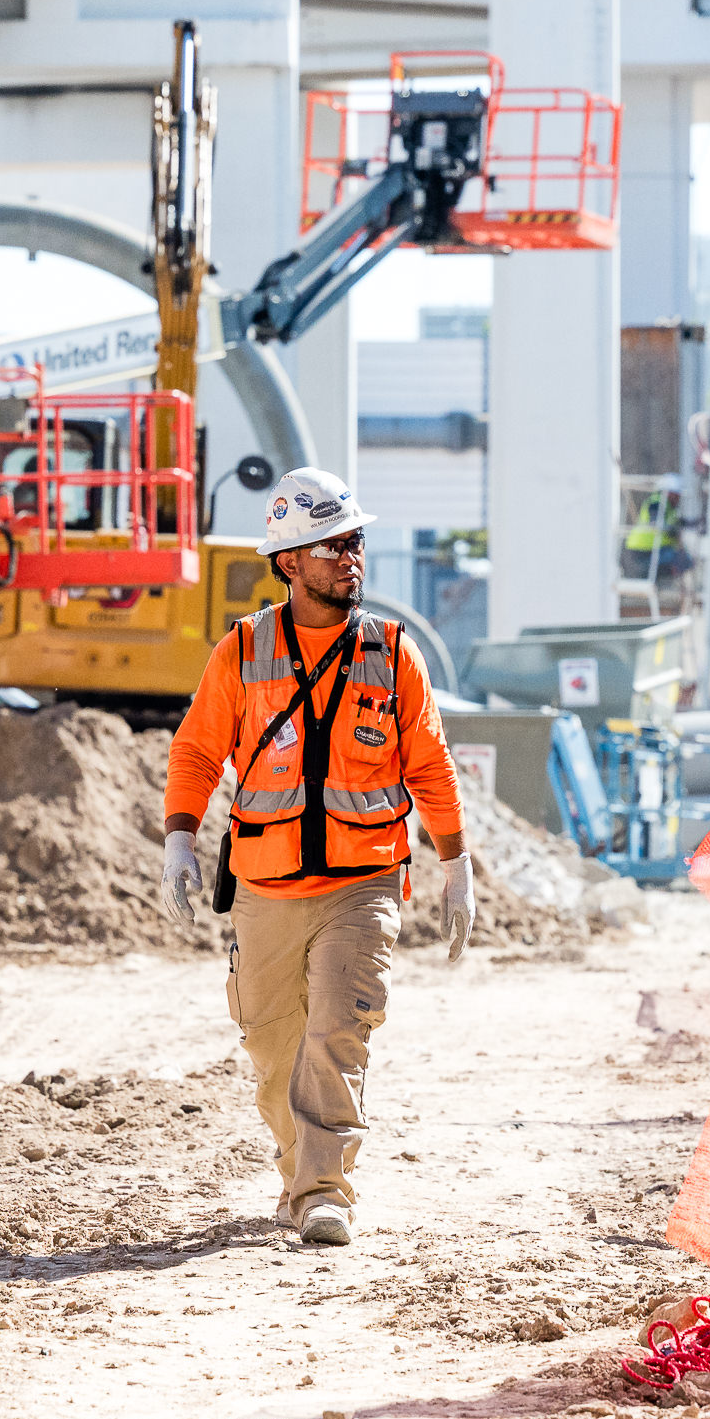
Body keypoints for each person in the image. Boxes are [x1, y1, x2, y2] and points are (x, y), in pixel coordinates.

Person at [157, 468, 474, 1248]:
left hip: (362, 885)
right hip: (265, 890)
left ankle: (325, 1189)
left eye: (355, 541)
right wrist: (178, 835)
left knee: (338, 1030)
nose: (350, 558)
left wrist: (455, 863)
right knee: (273, 1050)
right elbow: (199, 749)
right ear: (289, 561)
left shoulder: (393, 653)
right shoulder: (243, 651)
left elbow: (430, 764)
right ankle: (300, 1173)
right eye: (331, 545)